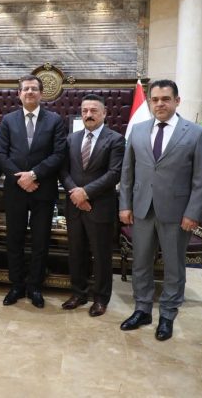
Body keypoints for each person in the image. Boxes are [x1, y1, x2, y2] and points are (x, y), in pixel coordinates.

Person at [118, 79, 202, 341]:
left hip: (177, 213)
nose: (160, 104)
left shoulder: (195, 133)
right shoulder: (138, 130)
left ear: (177, 101)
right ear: (149, 102)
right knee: (140, 263)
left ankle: (168, 314)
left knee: (173, 266)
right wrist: (125, 205)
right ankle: (142, 309)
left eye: (165, 99)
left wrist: (193, 213)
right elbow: (127, 172)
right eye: (155, 99)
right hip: (142, 209)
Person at [0, 74, 66, 308]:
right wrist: (21, 178)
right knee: (14, 239)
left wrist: (34, 175)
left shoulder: (55, 120)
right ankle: (16, 284)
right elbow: (1, 154)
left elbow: (58, 154)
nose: (29, 92)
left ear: (41, 93)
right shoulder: (8, 120)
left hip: (42, 189)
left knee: (40, 240)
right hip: (15, 189)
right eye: (25, 89)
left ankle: (35, 286)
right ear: (19, 94)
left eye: (34, 89)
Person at [59, 94, 124, 316]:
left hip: (100, 207)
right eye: (85, 110)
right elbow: (63, 171)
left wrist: (85, 193)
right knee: (76, 252)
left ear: (104, 113)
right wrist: (76, 194)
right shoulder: (71, 139)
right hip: (74, 206)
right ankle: (78, 293)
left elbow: (114, 173)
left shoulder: (115, 140)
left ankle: (101, 298)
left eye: (94, 110)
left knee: (101, 255)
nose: (89, 114)